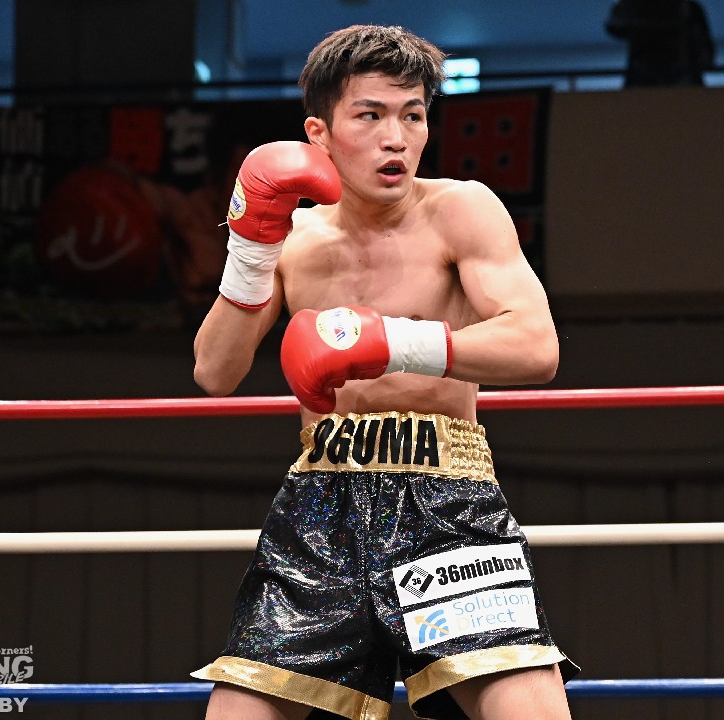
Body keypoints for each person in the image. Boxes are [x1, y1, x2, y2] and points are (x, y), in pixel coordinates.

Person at [190, 24, 578, 720]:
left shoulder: (461, 210)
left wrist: (391, 342)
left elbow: (535, 345)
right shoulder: (293, 239)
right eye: (369, 116)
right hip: (320, 503)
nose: (395, 138)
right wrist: (248, 251)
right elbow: (215, 370)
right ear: (320, 133)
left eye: (413, 116)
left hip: (445, 498)